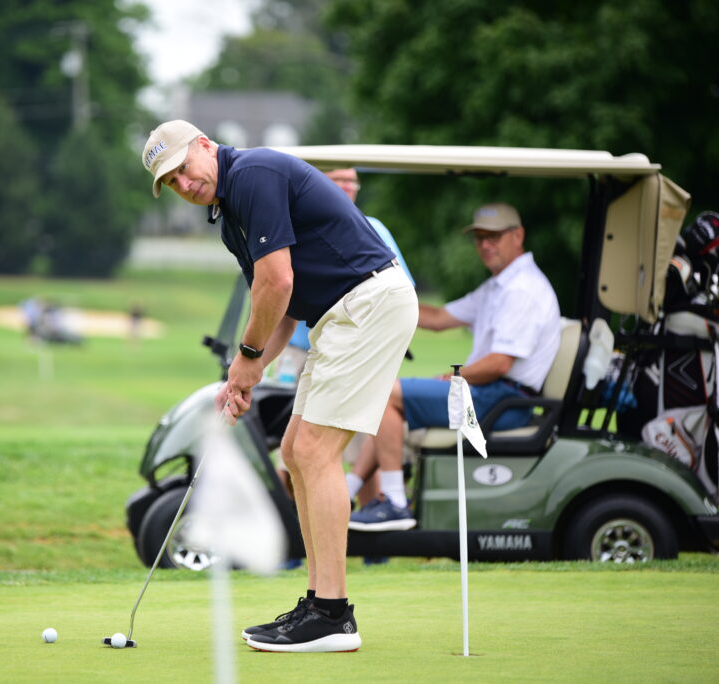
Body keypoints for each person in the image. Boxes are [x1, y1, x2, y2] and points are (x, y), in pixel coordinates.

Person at [142, 120, 418, 653]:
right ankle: (318, 603)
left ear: (205, 145)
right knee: (294, 452)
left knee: (313, 451)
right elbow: (282, 309)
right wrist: (246, 376)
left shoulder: (254, 173)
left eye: (183, 168)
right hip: (339, 314)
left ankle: (334, 614)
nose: (183, 183)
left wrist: (245, 360)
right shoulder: (230, 220)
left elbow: (278, 281)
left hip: (367, 304)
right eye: (170, 182)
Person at [348, 202, 561, 532]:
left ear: (517, 235)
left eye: (494, 236)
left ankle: (395, 504)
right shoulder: (498, 287)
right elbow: (437, 319)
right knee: (388, 397)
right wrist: (381, 300)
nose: (485, 245)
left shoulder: (523, 290)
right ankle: (347, 494)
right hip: (487, 392)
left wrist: (453, 377)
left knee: (386, 394)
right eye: (479, 238)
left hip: (504, 401)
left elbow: (500, 363)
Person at [273, 167, 415, 511]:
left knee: (342, 449)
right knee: (290, 449)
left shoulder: (372, 227)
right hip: (298, 349)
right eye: (339, 180)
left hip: (346, 349)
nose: (347, 187)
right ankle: (297, 534)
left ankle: (366, 534)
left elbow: (399, 285)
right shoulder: (298, 225)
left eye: (353, 181)